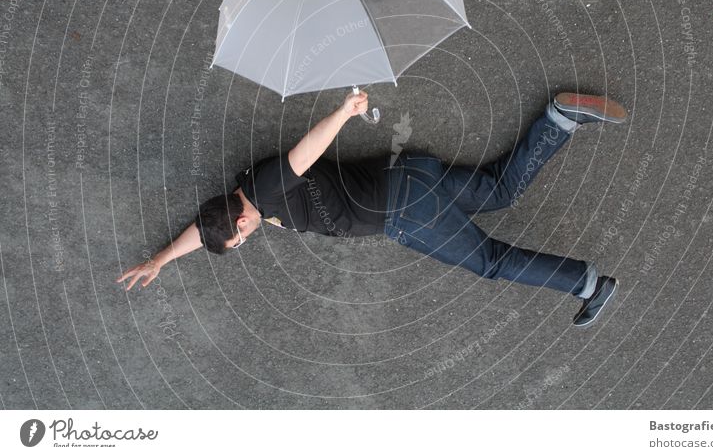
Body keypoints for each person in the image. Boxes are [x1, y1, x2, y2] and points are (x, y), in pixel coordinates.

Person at [117, 90, 627, 327]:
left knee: (491, 261)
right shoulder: (245, 191)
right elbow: (207, 227)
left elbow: (306, 152)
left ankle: (588, 284)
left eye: (243, 238)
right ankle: (559, 120)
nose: (246, 239)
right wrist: (161, 259)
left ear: (244, 221)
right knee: (498, 192)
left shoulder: (268, 189)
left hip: (404, 211)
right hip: (409, 174)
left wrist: (342, 112)